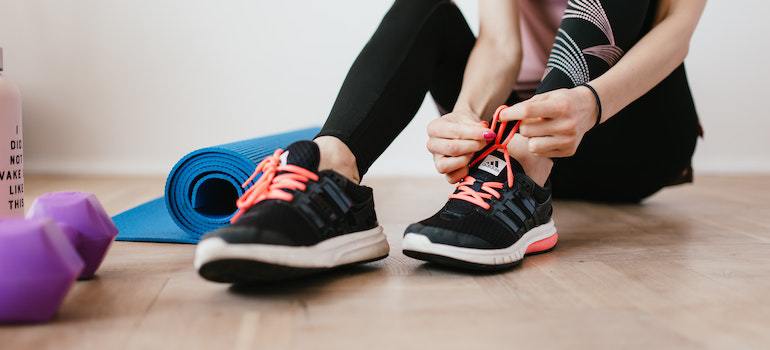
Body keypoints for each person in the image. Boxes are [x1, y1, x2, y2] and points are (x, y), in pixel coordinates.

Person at [193, 0, 706, 282]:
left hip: (627, 125)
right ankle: (333, 176)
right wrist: (466, 116)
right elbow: (500, 44)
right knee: (426, 7)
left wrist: (590, 103)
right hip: (512, 133)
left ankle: (525, 173)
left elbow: (676, 30)